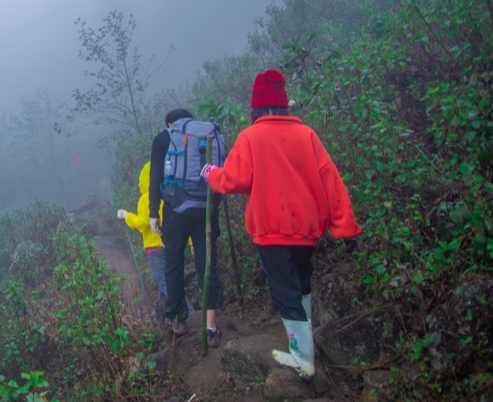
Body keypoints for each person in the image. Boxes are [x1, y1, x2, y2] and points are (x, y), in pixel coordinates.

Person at [201, 69, 362, 380]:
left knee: (284, 291)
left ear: (256, 107)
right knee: (300, 284)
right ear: (284, 104)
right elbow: (331, 181)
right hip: (307, 228)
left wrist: (211, 174)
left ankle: (303, 358)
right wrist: (345, 228)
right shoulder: (308, 135)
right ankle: (306, 346)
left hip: (270, 231)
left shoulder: (250, 137)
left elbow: (234, 179)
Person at [149, 109, 224, 345]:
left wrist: (153, 213)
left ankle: (177, 319)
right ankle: (210, 327)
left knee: (173, 261)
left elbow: (155, 178)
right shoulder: (208, 135)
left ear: (170, 123)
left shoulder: (164, 138)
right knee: (207, 263)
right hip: (206, 209)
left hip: (175, 210)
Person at [117, 162, 195, 320]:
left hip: (155, 248)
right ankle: (169, 317)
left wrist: (126, 216)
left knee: (166, 283)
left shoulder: (147, 199)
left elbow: (143, 223)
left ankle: (190, 314)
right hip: (174, 245)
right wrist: (192, 243)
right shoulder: (172, 194)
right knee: (170, 281)